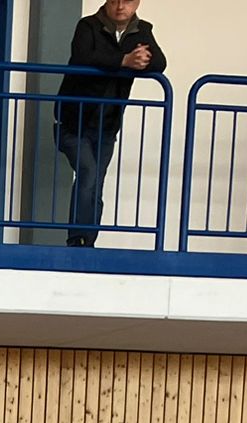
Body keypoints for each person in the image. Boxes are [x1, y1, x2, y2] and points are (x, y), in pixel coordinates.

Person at [56, 0, 166, 248]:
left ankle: (87, 241)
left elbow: (160, 62)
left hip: (107, 125)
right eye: (115, 0)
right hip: (73, 122)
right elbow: (83, 56)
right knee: (88, 174)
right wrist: (124, 61)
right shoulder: (88, 26)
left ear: (137, 3)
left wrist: (141, 60)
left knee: (96, 182)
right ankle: (77, 240)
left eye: (127, 1)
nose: (120, 7)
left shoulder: (141, 30)